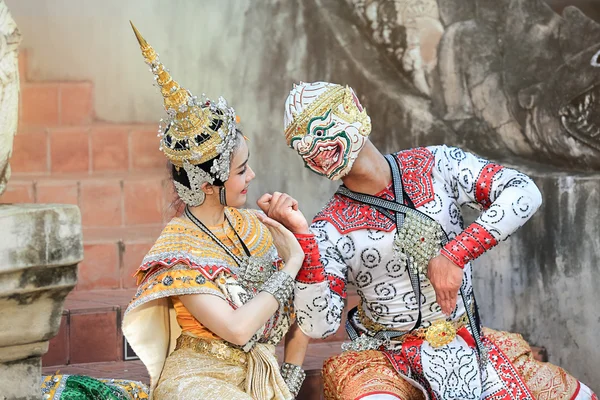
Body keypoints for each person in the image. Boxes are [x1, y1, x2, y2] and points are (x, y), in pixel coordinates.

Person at [258, 81, 597, 399]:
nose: (315, 153)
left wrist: (455, 254)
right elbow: (320, 324)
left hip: (466, 342)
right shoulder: (327, 227)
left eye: (319, 132)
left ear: (353, 108)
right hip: (384, 358)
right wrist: (302, 239)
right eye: (301, 148)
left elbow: (524, 192)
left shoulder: (436, 164)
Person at [121, 24, 310, 399]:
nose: (252, 177)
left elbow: (307, 312)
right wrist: (290, 264)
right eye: (241, 171)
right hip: (199, 383)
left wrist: (300, 233)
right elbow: (239, 330)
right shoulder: (178, 253)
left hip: (262, 380)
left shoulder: (255, 227)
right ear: (207, 184)